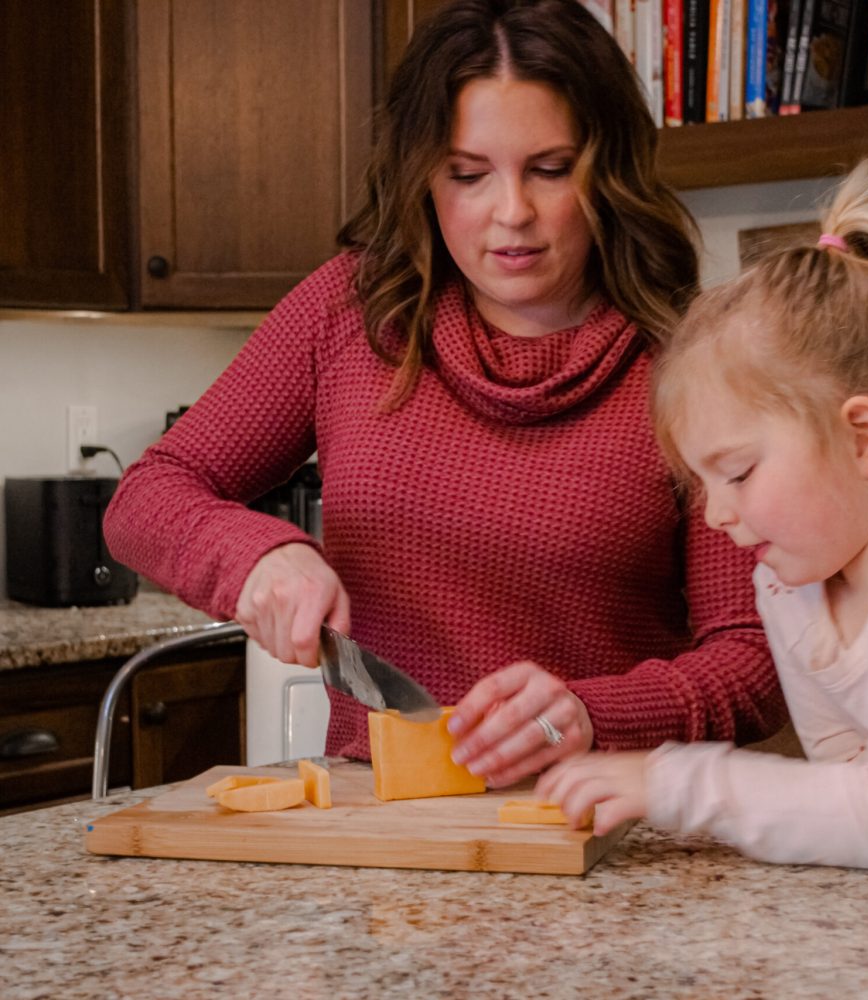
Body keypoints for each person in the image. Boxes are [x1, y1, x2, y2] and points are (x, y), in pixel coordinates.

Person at [103, 0, 786, 789]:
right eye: (469, 175)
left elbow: (751, 666)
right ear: (424, 177)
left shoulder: (688, 362)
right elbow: (145, 496)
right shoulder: (347, 314)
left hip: (597, 826)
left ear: (610, 168)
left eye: (551, 168)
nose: (512, 213)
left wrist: (593, 714)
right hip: (383, 824)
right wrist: (257, 553)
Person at [538, 158, 868, 873]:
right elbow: (855, 788)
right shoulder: (789, 586)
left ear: (863, 438)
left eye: (739, 473)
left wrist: (675, 781)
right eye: (700, 482)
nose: (717, 514)